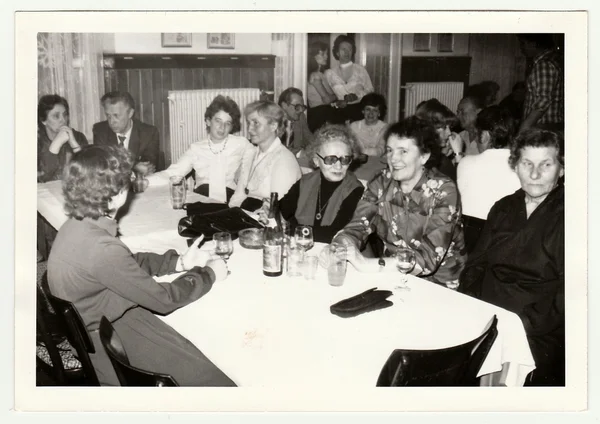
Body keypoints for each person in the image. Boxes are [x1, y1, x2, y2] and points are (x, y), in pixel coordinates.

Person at [47, 145, 235, 387]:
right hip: (110, 347)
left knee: (195, 345)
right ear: (115, 195)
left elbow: (127, 263)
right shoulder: (101, 248)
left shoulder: (80, 223)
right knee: (215, 380)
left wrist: (179, 262)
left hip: (99, 319)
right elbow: (163, 300)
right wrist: (208, 274)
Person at [459, 128, 565, 386]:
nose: (535, 174)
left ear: (561, 169)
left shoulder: (574, 214)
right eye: (527, 164)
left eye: (546, 164)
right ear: (515, 166)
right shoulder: (504, 207)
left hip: (536, 327)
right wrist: (471, 308)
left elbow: (572, 292)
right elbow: (476, 265)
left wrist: (522, 324)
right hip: (487, 314)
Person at [332, 117, 466, 287]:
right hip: (393, 277)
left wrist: (368, 264)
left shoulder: (444, 191)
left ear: (424, 156)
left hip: (438, 285)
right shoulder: (381, 182)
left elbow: (427, 260)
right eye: (389, 150)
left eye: (403, 151)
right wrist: (339, 246)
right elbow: (357, 226)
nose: (393, 159)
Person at [147, 95, 251, 203]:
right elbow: (174, 172)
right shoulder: (196, 148)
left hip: (230, 198)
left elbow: (261, 158)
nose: (222, 127)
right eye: (218, 121)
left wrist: (244, 173)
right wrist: (145, 181)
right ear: (208, 121)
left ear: (231, 127)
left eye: (227, 123)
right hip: (203, 197)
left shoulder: (241, 143)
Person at [272, 125, 364, 243]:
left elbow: (333, 234)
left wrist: (289, 228)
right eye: (331, 159)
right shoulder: (305, 181)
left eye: (345, 159)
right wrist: (270, 209)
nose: (339, 166)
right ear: (316, 161)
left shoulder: (355, 190)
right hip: (301, 247)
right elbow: (282, 209)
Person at [230, 101, 302, 211]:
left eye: (256, 123)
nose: (249, 129)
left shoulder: (284, 160)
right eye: (249, 123)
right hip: (245, 215)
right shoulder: (251, 153)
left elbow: (278, 210)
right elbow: (238, 195)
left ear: (273, 126)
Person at [457, 105, 521, 220]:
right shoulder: (523, 166)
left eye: (477, 134)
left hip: (469, 232)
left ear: (485, 136)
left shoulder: (465, 163)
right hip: (505, 234)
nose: (476, 141)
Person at [93, 91, 160, 171]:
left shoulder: (149, 133)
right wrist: (134, 166)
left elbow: (147, 167)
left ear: (130, 113)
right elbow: (102, 163)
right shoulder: (100, 130)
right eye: (108, 115)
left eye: (116, 115)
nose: (111, 121)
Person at [517, 34, 564, 133]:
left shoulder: (544, 64)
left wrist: (523, 130)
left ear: (533, 43)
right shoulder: (553, 60)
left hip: (541, 128)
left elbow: (543, 101)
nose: (521, 48)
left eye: (523, 44)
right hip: (546, 127)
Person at [37, 94, 88, 183]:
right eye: (56, 116)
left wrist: (74, 145)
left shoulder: (78, 137)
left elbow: (88, 173)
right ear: (43, 120)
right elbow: (42, 178)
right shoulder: (36, 142)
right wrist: (57, 143)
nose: (63, 120)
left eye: (65, 115)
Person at [325, 35, 374, 123]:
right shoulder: (329, 73)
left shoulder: (360, 70)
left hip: (358, 113)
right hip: (337, 113)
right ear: (337, 52)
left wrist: (357, 96)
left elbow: (370, 91)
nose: (347, 52)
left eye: (349, 49)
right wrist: (337, 103)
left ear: (353, 52)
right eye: (343, 49)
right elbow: (327, 97)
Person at [415, 98, 463, 181]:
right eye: (444, 127)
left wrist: (441, 154)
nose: (449, 133)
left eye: (449, 127)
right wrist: (458, 154)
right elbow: (462, 187)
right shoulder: (444, 163)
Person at [306, 41, 344, 132]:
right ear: (313, 56)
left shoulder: (322, 74)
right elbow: (326, 99)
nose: (326, 57)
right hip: (319, 115)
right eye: (322, 54)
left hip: (325, 112)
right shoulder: (315, 75)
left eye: (326, 54)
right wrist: (336, 95)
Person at [348, 93, 389, 157]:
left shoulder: (385, 128)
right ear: (363, 111)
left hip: (379, 162)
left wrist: (359, 151)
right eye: (368, 109)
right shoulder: (354, 126)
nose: (371, 113)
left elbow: (379, 151)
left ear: (379, 113)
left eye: (375, 110)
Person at [277, 87, 313, 155]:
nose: (301, 110)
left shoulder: (301, 117)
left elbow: (309, 139)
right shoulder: (272, 121)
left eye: (302, 107)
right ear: (284, 105)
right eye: (297, 107)